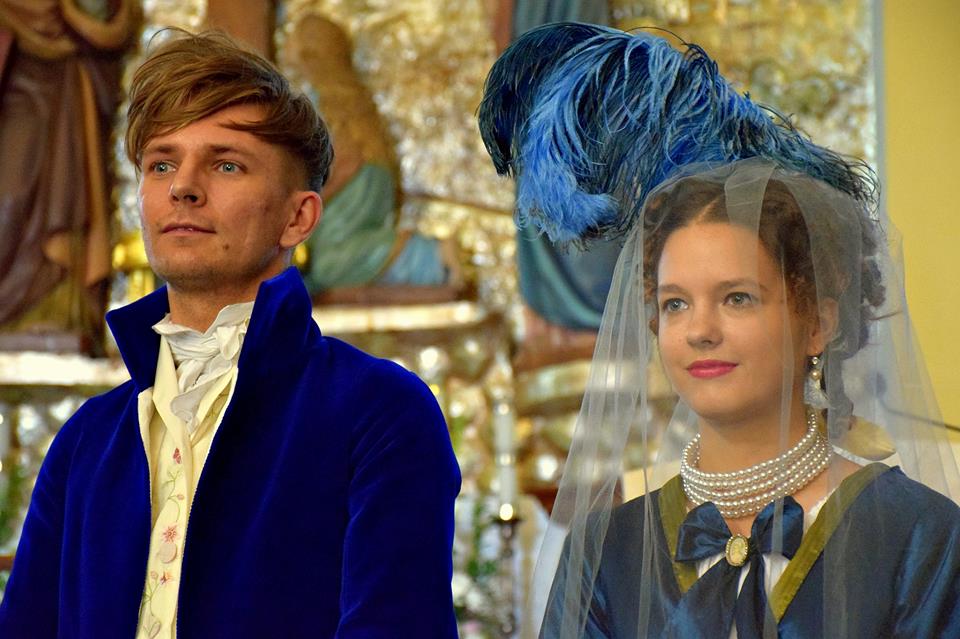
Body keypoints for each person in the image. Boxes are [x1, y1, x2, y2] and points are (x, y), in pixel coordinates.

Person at [478, 23, 960, 638]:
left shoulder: (919, 535)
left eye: (737, 298)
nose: (699, 330)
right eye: (676, 304)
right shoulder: (605, 550)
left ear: (818, 323)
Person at [0, 29, 461, 638]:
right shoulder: (85, 441)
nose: (182, 187)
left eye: (226, 164)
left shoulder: (379, 411)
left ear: (298, 217)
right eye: (161, 164)